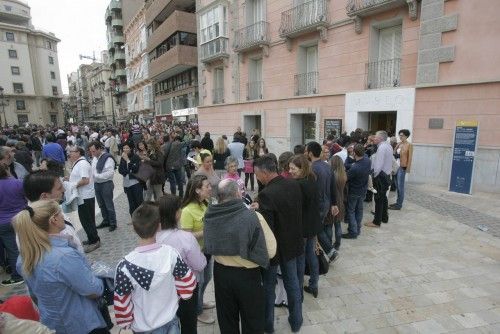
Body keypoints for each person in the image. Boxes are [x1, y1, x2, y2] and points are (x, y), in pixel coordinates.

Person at [14, 200, 108, 334]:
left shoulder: (24, 257)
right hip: (82, 324)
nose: (63, 216)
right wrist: (98, 277)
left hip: (52, 323)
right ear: (53, 220)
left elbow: (34, 295)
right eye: (60, 213)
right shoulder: (63, 257)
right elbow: (93, 290)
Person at [204, 179, 276, 333]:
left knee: (227, 319)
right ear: (238, 193)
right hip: (248, 276)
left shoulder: (210, 216)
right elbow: (271, 251)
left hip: (221, 274)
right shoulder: (253, 217)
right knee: (253, 320)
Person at [113, 202, 195, 333]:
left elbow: (122, 301)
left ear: (134, 229)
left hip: (143, 327)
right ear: (159, 227)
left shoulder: (125, 267)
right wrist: (179, 296)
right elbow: (188, 283)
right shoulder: (170, 254)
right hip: (170, 320)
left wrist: (126, 322)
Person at [253, 155, 304, 333]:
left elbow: (267, 230)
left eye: (257, 174)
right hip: (294, 243)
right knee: (293, 284)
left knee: (268, 288)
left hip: (275, 250)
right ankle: (296, 321)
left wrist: (256, 212)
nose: (257, 177)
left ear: (266, 172)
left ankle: (269, 326)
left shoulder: (266, 194)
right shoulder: (293, 184)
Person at [157, 194, 207, 334]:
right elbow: (200, 264)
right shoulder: (185, 238)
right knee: (188, 323)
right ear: (177, 214)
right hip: (187, 289)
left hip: (163, 289)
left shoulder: (154, 237)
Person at [180, 175, 215, 324]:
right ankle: (197, 311)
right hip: (195, 254)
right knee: (198, 283)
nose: (210, 188)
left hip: (206, 250)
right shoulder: (187, 211)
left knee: (206, 279)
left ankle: (200, 302)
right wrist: (206, 231)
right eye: (207, 186)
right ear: (197, 190)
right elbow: (186, 237)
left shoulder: (205, 203)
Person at [288, 154, 322, 298]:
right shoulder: (312, 178)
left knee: (300, 259)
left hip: (302, 227)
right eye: (289, 168)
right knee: (312, 255)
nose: (290, 171)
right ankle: (314, 285)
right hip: (313, 225)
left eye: (293, 168)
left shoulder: (297, 185)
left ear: (302, 169)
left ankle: (299, 289)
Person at [305, 141, 340, 262]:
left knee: (316, 229)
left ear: (310, 153)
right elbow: (333, 187)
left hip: (318, 204)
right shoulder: (327, 166)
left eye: (306, 151)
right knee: (319, 227)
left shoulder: (312, 169)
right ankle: (329, 252)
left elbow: (312, 190)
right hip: (326, 203)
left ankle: (329, 252)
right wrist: (334, 203)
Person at [67, 146, 100, 253]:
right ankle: (91, 237)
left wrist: (72, 185)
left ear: (78, 153)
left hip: (86, 196)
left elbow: (85, 180)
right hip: (82, 196)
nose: (69, 154)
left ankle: (94, 241)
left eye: (71, 152)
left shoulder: (82, 164)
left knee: (87, 220)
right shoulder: (78, 163)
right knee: (86, 219)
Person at [0, 163, 26, 286]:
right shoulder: (18, 183)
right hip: (22, 217)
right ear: (6, 170)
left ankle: (17, 275)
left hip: (4, 222)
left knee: (12, 249)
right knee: (27, 243)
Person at [366, 131, 393, 228]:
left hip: (381, 176)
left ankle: (376, 222)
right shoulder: (388, 146)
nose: (374, 138)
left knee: (378, 199)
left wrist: (374, 175)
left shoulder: (381, 148)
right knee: (383, 198)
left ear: (381, 138)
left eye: (376, 137)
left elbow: (378, 165)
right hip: (386, 175)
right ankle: (384, 217)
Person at [343, 145, 371, 238]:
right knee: (359, 211)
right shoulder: (367, 161)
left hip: (354, 191)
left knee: (351, 211)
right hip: (363, 190)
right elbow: (351, 164)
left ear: (354, 153)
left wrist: (349, 157)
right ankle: (357, 229)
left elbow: (345, 178)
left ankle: (353, 232)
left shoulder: (355, 168)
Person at [89, 141, 117, 232]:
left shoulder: (108, 158)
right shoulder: (94, 158)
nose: (92, 153)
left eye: (93, 151)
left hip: (106, 184)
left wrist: (96, 176)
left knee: (108, 204)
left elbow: (110, 173)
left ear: (99, 149)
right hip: (97, 184)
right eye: (91, 151)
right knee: (101, 204)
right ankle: (106, 220)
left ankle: (113, 223)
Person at [390, 129, 413, 210]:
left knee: (400, 186)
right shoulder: (399, 144)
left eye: (402, 135)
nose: (400, 136)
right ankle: (397, 202)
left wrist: (407, 169)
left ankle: (399, 205)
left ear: (406, 136)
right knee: (396, 185)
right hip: (396, 166)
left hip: (402, 167)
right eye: (399, 135)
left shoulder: (409, 145)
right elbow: (393, 153)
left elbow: (410, 158)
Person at [118, 143, 144, 216]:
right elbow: (120, 170)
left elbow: (136, 169)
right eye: (124, 148)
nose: (125, 150)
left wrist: (128, 160)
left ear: (131, 149)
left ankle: (142, 217)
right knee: (131, 202)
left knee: (138, 201)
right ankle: (133, 218)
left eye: (127, 148)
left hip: (136, 183)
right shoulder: (122, 157)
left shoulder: (135, 157)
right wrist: (128, 172)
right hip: (126, 182)